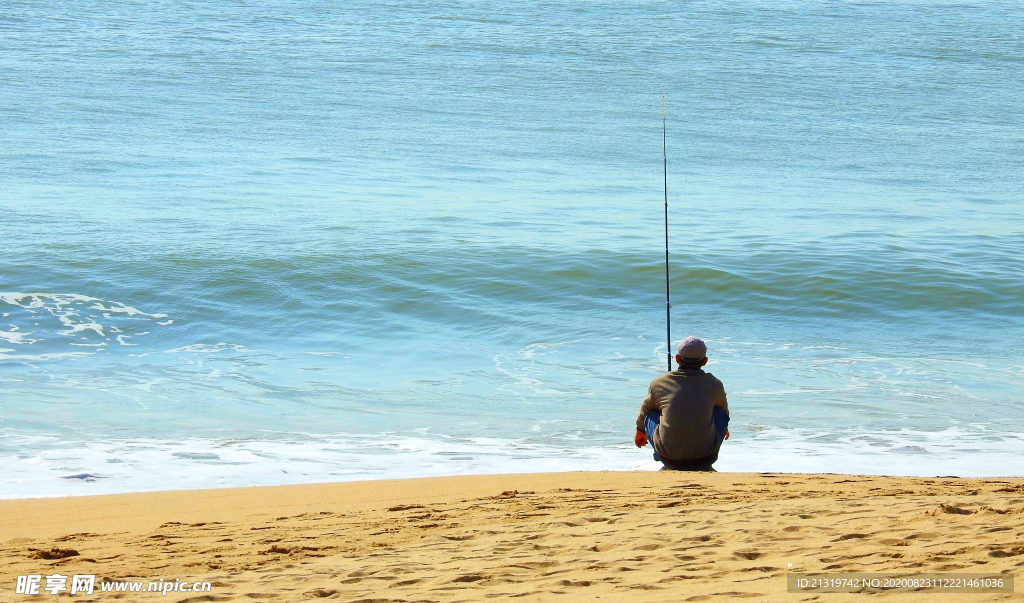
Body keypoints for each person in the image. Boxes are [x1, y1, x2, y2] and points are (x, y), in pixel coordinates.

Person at [634, 336, 729, 471]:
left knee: (651, 412)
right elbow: (723, 411)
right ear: (705, 361)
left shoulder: (658, 383)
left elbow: (644, 412)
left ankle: (662, 458)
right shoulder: (715, 384)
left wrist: (640, 431)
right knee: (720, 412)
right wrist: (722, 428)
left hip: (668, 457)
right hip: (706, 458)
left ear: (678, 359)